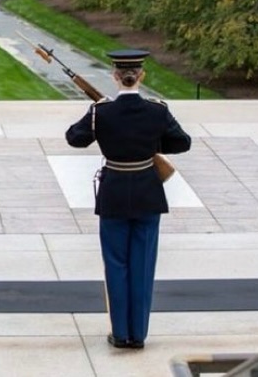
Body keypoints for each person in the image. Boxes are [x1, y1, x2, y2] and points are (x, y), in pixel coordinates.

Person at [65, 49, 191, 350]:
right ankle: (138, 335)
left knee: (116, 264)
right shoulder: (157, 111)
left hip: (115, 195)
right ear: (141, 76)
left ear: (115, 76)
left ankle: (120, 333)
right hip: (148, 193)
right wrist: (149, 142)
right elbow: (182, 143)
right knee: (143, 265)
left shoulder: (101, 112)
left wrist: (101, 119)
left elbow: (74, 138)